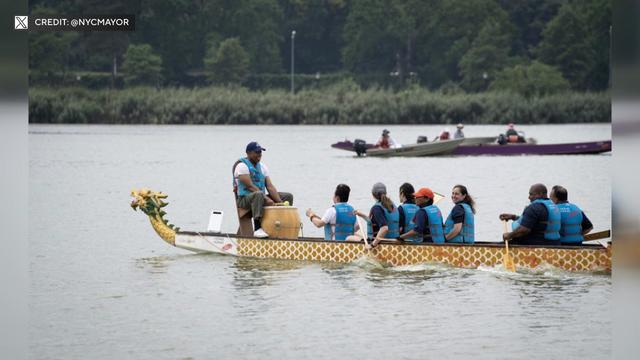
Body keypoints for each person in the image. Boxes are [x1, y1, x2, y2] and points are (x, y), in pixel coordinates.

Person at [233, 141, 294, 238]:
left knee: (287, 196)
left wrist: (279, 202)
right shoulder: (241, 166)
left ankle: (281, 225)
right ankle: (258, 228)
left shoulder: (262, 166)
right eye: (257, 152)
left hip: (259, 197)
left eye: (260, 152)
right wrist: (266, 199)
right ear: (248, 153)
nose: (259, 154)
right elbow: (250, 186)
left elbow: (270, 186)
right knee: (258, 194)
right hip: (244, 200)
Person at [351, 182, 400, 249]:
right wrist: (362, 215)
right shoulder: (393, 206)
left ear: (373, 195)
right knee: (356, 235)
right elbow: (374, 221)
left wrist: (372, 245)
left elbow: (384, 228)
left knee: (350, 237)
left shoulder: (377, 208)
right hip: (394, 241)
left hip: (381, 243)